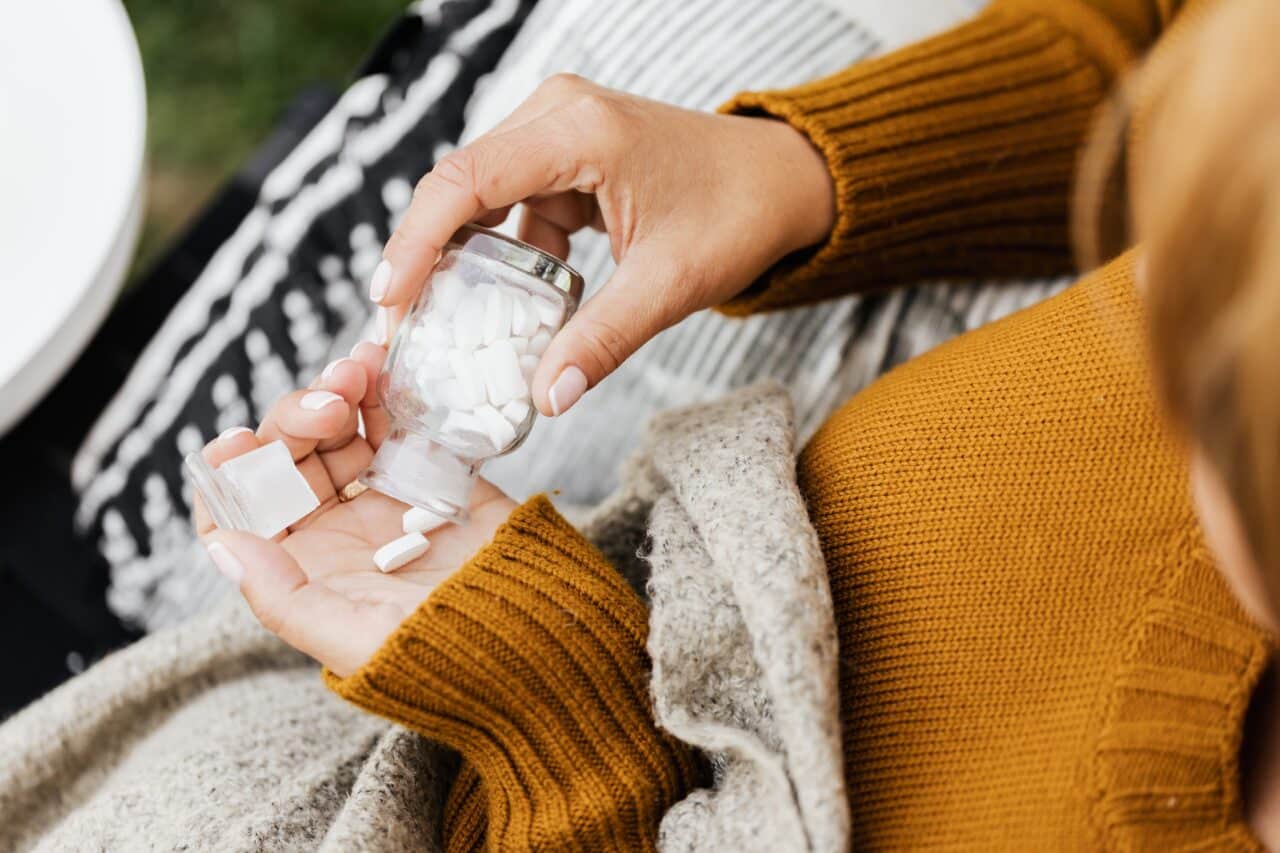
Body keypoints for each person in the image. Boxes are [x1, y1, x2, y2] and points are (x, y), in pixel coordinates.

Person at [72, 0, 1280, 847]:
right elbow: (1169, 52)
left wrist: (570, 722)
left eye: (1187, 373)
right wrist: (800, 167)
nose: (1132, 351)